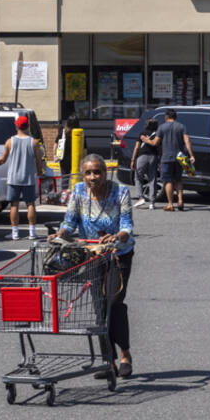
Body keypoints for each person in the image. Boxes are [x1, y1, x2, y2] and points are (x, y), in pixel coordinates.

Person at [57, 153, 134, 379]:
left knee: (114, 302)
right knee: (100, 308)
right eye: (89, 172)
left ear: (105, 172)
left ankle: (125, 354)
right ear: (83, 174)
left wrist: (117, 236)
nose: (93, 177)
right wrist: (61, 233)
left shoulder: (120, 192)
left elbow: (128, 225)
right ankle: (107, 361)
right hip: (92, 256)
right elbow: (69, 222)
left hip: (118, 254)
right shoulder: (79, 191)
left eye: (98, 171)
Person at [0, 115, 45, 240]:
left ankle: (15, 233)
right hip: (28, 178)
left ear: (17, 126)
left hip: (13, 178)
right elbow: (39, 161)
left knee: (14, 205)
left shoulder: (10, 141)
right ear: (28, 126)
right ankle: (32, 233)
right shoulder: (34, 142)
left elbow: (2, 160)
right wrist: (40, 172)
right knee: (30, 204)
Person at [156, 107, 195, 212]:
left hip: (166, 157)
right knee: (178, 179)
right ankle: (180, 200)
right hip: (181, 156)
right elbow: (187, 141)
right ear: (176, 117)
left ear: (166, 117)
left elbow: (156, 142)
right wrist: (191, 155)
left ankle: (170, 204)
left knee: (168, 181)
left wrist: (146, 140)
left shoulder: (162, 127)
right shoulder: (182, 126)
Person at [133, 119, 160, 209]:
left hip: (142, 156)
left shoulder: (142, 133)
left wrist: (133, 160)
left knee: (138, 177)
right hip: (153, 156)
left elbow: (136, 147)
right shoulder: (157, 134)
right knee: (152, 178)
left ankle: (141, 198)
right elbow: (159, 147)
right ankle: (152, 202)